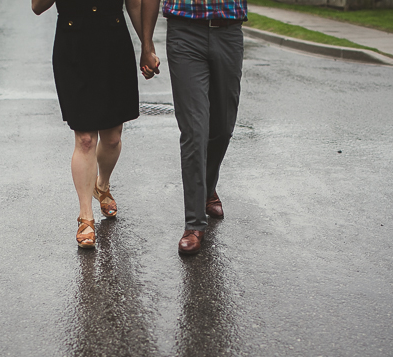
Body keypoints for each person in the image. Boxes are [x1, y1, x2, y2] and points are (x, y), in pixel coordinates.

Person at [33, 0, 144, 248]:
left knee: (112, 138)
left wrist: (147, 45)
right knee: (85, 139)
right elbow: (37, 7)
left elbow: (135, 4)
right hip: (73, 44)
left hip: (114, 44)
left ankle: (101, 184)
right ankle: (86, 217)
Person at [138, 0, 246, 255]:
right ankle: (194, 224)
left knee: (223, 128)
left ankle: (208, 188)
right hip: (185, 34)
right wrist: (147, 44)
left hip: (229, 32)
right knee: (194, 131)